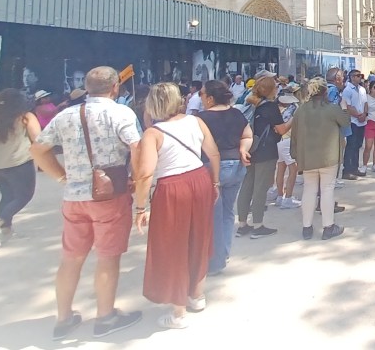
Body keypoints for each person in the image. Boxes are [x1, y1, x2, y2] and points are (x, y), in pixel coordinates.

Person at [29, 66, 143, 339]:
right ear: (115, 87)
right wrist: (137, 181)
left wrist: (60, 176)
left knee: (71, 258)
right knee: (107, 257)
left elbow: (37, 148)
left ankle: (64, 318)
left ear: (87, 88)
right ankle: (105, 317)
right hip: (110, 196)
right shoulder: (120, 113)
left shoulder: (66, 115)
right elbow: (137, 147)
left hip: (74, 198)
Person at [134, 82, 221, 329]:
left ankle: (178, 311)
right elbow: (213, 153)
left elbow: (145, 173)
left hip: (172, 187)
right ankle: (197, 294)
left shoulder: (153, 133)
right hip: (199, 179)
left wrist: (140, 207)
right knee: (200, 237)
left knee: (173, 245)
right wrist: (214, 182)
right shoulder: (195, 121)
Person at [197, 80, 251, 276]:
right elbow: (247, 135)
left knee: (213, 216)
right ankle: (224, 253)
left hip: (212, 169)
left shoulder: (200, 119)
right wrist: (243, 151)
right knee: (228, 212)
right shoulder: (237, 113)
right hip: (236, 166)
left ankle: (215, 261)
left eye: (201, 94)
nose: (199, 98)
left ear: (210, 98)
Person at [0, 88, 40, 249]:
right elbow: (39, 138)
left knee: (7, 195)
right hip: (18, 163)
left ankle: (4, 232)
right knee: (24, 195)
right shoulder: (25, 117)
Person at [290, 77, 350, 240]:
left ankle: (307, 227)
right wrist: (344, 108)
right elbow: (345, 122)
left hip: (307, 157)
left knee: (309, 190)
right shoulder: (332, 108)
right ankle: (328, 226)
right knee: (327, 190)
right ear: (325, 92)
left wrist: (295, 154)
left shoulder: (300, 110)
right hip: (328, 157)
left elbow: (294, 134)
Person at [236, 73, 292, 239]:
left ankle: (242, 224)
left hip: (250, 147)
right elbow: (281, 129)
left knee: (247, 186)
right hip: (266, 149)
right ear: (270, 90)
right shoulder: (270, 107)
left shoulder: (251, 104)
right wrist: (293, 120)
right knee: (260, 188)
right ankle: (258, 225)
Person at [274, 93, 302, 209]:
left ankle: (280, 196)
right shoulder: (293, 109)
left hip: (278, 141)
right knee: (293, 169)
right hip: (287, 140)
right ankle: (288, 198)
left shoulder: (275, 110)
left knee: (280, 169)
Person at [341, 69, 368, 177]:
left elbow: (365, 103)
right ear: (352, 77)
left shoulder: (362, 89)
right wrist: (358, 115)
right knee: (351, 145)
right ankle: (347, 170)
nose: (359, 77)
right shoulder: (347, 90)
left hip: (362, 121)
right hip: (353, 121)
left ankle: (355, 167)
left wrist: (365, 114)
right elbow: (348, 106)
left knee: (358, 145)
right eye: (357, 76)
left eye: (360, 75)